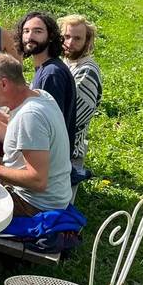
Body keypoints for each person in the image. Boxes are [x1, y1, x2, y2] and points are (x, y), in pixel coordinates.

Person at [0, 54, 73, 216]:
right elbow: (16, 141)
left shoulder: (30, 115)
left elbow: (38, 181)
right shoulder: (40, 96)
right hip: (46, 196)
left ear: (4, 84)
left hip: (34, 205)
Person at [15, 11, 77, 159]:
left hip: (48, 162)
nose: (30, 36)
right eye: (26, 31)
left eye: (38, 31)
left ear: (50, 37)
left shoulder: (52, 74)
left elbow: (46, 128)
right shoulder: (44, 68)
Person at [58, 15, 103, 171]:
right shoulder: (67, 61)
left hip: (67, 145)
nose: (70, 43)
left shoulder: (86, 71)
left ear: (87, 41)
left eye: (77, 39)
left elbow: (71, 118)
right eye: (66, 37)